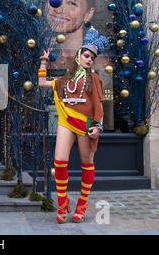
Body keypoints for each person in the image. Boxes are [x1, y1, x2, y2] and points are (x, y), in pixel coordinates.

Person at [38, 44, 104, 224]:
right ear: (79, 56)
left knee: (87, 163)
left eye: (92, 58)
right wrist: (44, 62)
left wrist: (98, 126)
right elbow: (42, 84)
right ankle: (62, 203)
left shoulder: (95, 79)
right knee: (59, 163)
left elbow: (99, 105)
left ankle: (81, 205)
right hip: (66, 121)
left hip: (85, 124)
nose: (89, 60)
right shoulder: (65, 79)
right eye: (87, 56)